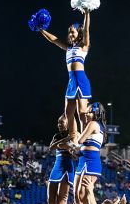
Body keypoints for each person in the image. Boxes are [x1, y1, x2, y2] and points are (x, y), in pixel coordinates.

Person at [39, 9, 92, 140]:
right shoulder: (68, 48)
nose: (70, 34)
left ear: (78, 33)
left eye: (72, 31)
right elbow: (54, 40)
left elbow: (86, 30)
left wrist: (86, 14)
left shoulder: (83, 46)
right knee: (68, 113)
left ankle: (84, 139)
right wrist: (41, 30)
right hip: (71, 81)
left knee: (82, 112)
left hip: (80, 79)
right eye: (69, 32)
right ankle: (74, 137)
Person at [72, 102, 106, 204]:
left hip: (91, 162)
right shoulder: (91, 124)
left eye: (89, 112)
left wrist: (75, 135)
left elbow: (79, 140)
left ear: (96, 113)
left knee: (82, 196)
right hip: (83, 160)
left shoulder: (93, 124)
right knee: (76, 195)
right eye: (85, 112)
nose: (86, 114)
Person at [47, 115, 74, 204]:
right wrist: (63, 141)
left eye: (61, 122)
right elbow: (51, 147)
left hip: (67, 166)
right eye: (58, 122)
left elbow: (71, 148)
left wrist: (64, 144)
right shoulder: (57, 135)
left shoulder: (72, 134)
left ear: (67, 123)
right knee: (50, 200)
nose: (59, 124)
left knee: (61, 200)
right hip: (57, 165)